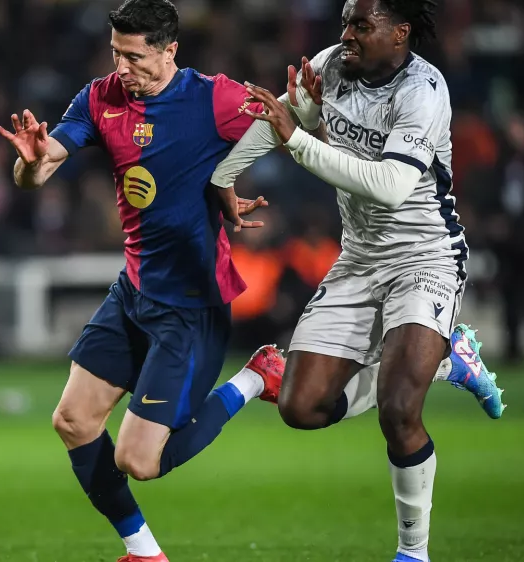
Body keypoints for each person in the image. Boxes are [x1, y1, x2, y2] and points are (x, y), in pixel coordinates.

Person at [209, 0, 506, 560]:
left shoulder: (424, 91)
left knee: (399, 411)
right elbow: (282, 120)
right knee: (300, 408)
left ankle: (412, 553)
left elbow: (390, 185)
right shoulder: (331, 66)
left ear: (400, 33)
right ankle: (448, 359)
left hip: (425, 257)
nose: (346, 34)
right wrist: (224, 178)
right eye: (345, 21)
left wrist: (300, 141)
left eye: (361, 25)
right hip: (359, 259)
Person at [0, 1, 285, 560]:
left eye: (134, 57)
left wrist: (226, 183)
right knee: (74, 421)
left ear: (170, 49)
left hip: (191, 308)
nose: (123, 68)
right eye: (115, 54)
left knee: (140, 460)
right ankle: (145, 553)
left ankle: (255, 376)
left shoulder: (213, 97)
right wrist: (30, 162)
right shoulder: (101, 97)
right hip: (134, 292)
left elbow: (286, 125)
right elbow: (37, 170)